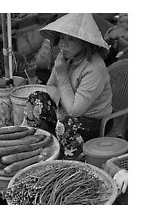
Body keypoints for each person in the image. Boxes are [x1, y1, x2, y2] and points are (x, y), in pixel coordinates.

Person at [23, 13, 113, 159]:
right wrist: (61, 102)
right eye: (63, 37)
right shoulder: (64, 58)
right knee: (36, 97)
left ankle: (69, 160)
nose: (64, 44)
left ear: (85, 42)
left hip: (93, 120)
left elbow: (74, 110)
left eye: (71, 39)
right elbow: (49, 86)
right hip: (66, 112)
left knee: (65, 124)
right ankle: (40, 147)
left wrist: (63, 75)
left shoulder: (94, 68)